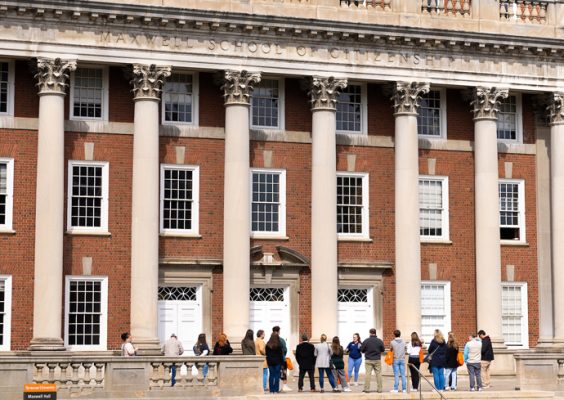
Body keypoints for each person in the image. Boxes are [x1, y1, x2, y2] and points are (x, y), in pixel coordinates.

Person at [360, 328, 385, 393]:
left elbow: (362, 350)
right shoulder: (379, 341)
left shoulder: (366, 341)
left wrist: (366, 350)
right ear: (375, 333)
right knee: (378, 374)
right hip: (377, 359)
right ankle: (380, 389)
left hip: (368, 359)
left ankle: (367, 389)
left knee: (368, 374)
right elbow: (383, 350)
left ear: (370, 333)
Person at [272, 326, 292, 392]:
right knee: (284, 372)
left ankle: (275, 387)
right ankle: (284, 386)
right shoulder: (281, 340)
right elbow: (285, 350)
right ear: (278, 331)